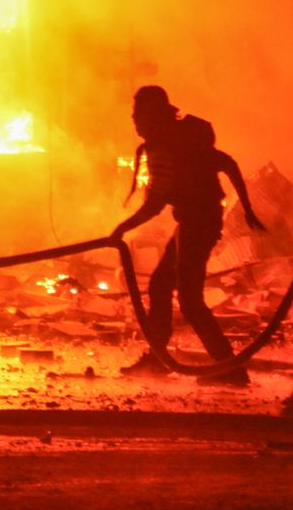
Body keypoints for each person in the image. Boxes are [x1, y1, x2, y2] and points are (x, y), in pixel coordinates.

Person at [111, 86, 266, 383]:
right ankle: (160, 359)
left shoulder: (164, 146)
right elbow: (227, 162)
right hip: (197, 222)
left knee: (190, 300)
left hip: (198, 224)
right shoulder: (182, 137)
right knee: (159, 285)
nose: (134, 120)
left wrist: (122, 229)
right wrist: (246, 207)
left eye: (138, 114)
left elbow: (155, 204)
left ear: (152, 115)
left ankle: (229, 369)